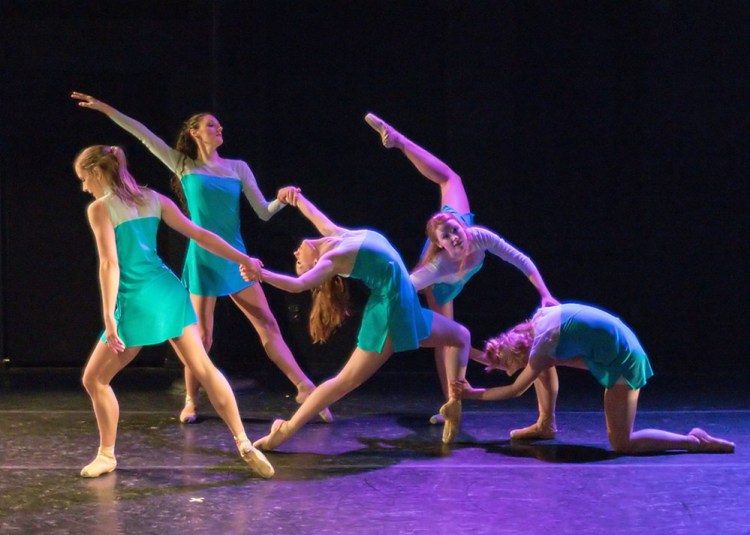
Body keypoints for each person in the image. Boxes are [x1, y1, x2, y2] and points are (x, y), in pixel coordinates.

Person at [71, 92, 331, 424]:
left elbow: (264, 213)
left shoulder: (238, 167)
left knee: (267, 323)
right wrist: (106, 108)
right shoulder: (183, 165)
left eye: (219, 124)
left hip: (234, 256)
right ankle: (192, 401)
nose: (219, 127)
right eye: (211, 124)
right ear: (194, 132)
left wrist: (281, 200)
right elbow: (141, 133)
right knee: (200, 337)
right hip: (203, 258)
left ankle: (304, 387)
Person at [73, 145, 274, 478]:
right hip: (169, 293)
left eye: (84, 178)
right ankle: (243, 442)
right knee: (205, 369)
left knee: (95, 379)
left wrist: (109, 315)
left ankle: (107, 454)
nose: (84, 186)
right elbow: (200, 234)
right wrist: (243, 258)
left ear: (96, 173)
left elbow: (110, 264)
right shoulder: (153, 199)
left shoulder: (101, 208)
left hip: (137, 299)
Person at [364, 113, 560, 431]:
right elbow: (405, 286)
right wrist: (380, 306)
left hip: (450, 244)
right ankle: (451, 404)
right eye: (449, 238)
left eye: (456, 231)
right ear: (441, 246)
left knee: (451, 179)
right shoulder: (437, 269)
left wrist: (545, 294)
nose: (458, 239)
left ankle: (399, 140)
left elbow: (521, 260)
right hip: (444, 286)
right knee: (449, 339)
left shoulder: (475, 234)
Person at [242, 192, 472, 450]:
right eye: (298, 261)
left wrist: (294, 197)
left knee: (461, 336)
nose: (296, 251)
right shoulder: (331, 259)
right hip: (389, 312)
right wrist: (260, 274)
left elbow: (314, 215)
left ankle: (454, 403)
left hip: (404, 302)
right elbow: (298, 285)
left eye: (296, 258)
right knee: (346, 381)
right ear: (316, 263)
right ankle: (286, 430)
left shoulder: (335, 235)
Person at [455, 302, 735, 454]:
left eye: (507, 366)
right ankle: (546, 424)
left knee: (622, 443)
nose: (509, 371)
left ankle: (693, 440)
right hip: (605, 350)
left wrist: (471, 394)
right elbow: (515, 359)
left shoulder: (541, 345)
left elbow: (515, 390)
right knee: (544, 363)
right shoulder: (534, 324)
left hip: (624, 360)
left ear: (515, 355)